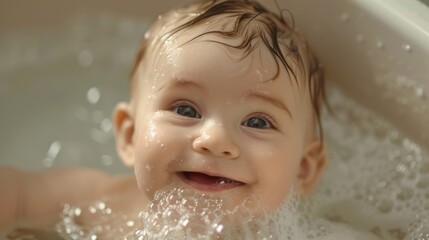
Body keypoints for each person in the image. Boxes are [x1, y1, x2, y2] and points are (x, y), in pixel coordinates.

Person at [0, 0, 329, 237]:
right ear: (130, 136)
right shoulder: (105, 205)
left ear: (303, 168)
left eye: (257, 122)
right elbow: (16, 195)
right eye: (186, 110)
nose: (214, 139)